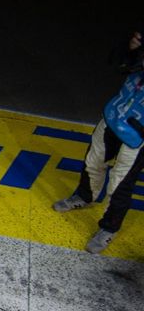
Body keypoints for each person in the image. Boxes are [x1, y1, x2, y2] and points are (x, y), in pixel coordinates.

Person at [53, 30, 144, 254]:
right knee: (93, 161)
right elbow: (117, 62)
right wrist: (131, 49)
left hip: (139, 137)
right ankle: (84, 196)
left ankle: (109, 228)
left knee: (119, 184)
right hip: (114, 116)